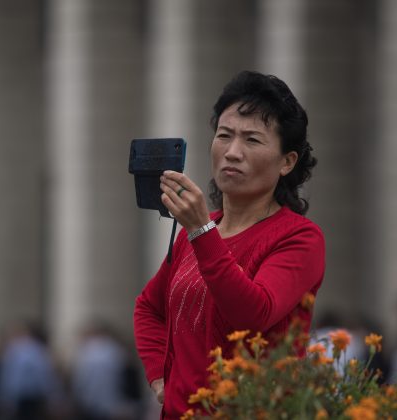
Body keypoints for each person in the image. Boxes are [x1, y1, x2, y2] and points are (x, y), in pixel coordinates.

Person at [133, 71, 326, 418]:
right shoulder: (197, 233)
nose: (232, 152)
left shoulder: (299, 237)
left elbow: (252, 315)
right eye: (224, 135)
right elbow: (148, 308)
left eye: (252, 140)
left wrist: (201, 229)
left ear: (287, 162)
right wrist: (160, 378)